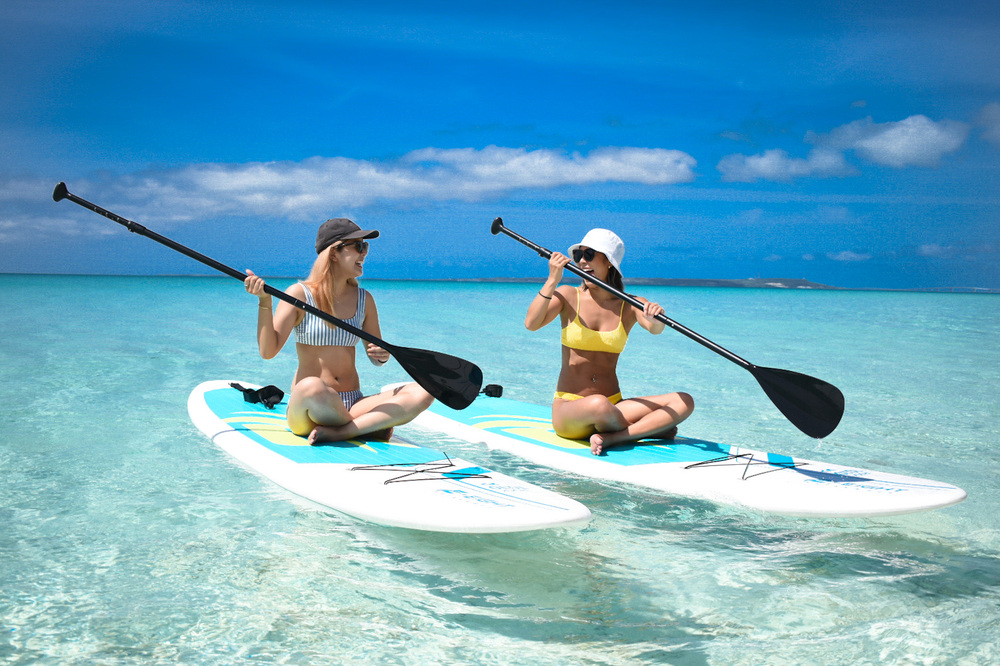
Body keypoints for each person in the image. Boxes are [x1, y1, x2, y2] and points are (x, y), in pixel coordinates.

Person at [244, 217, 434, 444]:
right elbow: (268, 351)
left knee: (424, 390)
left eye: (366, 247)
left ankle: (342, 431)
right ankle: (365, 426)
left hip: (353, 403)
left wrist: (382, 356)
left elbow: (377, 359)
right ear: (334, 253)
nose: (364, 254)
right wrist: (264, 301)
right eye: (359, 246)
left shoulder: (364, 299)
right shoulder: (299, 294)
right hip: (309, 404)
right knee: (312, 385)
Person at [524, 228, 695, 455]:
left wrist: (655, 317)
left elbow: (655, 329)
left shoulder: (630, 304)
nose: (582, 261)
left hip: (614, 405)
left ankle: (615, 437)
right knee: (598, 403)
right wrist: (552, 280)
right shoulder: (567, 295)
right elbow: (531, 323)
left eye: (589, 254)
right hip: (569, 409)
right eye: (578, 255)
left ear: (609, 262)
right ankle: (645, 429)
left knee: (684, 401)